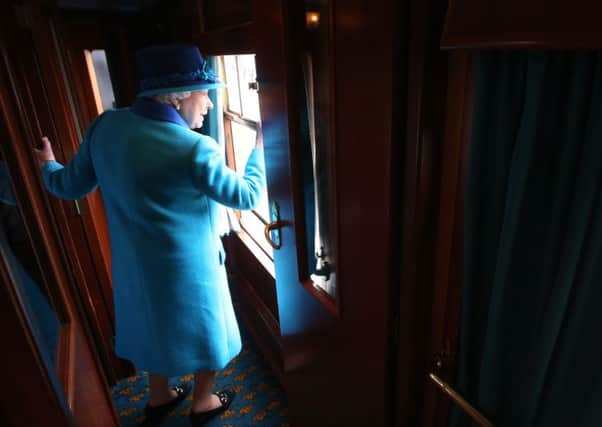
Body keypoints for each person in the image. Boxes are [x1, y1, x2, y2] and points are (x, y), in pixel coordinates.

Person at [34, 44, 266, 426]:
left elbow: (67, 185)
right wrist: (259, 151)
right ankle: (203, 402)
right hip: (190, 270)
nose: (208, 104)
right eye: (203, 93)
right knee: (207, 334)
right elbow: (246, 196)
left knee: (152, 328)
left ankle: (159, 396)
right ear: (177, 98)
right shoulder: (194, 148)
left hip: (134, 266)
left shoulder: (105, 127)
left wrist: (47, 165)